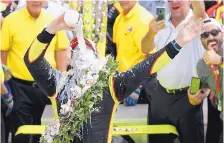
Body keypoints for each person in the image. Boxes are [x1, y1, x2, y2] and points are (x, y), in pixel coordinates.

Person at [23, 10, 203, 143]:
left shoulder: (110, 84)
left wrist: (179, 42)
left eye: (86, 49)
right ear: (69, 58)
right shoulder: (58, 82)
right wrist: (52, 29)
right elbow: (31, 60)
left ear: (97, 59)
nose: (81, 52)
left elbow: (149, 66)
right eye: (76, 49)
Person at [0, 0, 69, 142]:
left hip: (47, 88)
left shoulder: (53, 21)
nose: (36, 1)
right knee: (20, 132)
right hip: (19, 87)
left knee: (46, 133)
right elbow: (3, 51)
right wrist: (5, 81)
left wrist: (62, 80)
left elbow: (61, 49)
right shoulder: (11, 21)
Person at [141, 1, 208, 143]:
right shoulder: (161, 20)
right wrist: (150, 32)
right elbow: (145, 49)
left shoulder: (196, 20)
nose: (174, 1)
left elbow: (200, 9)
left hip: (188, 97)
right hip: (161, 95)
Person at [188, 18, 223, 143]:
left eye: (215, 32)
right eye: (205, 35)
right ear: (201, 40)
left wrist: (220, 60)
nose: (210, 37)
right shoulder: (202, 65)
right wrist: (193, 94)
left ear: (223, 34)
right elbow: (195, 86)